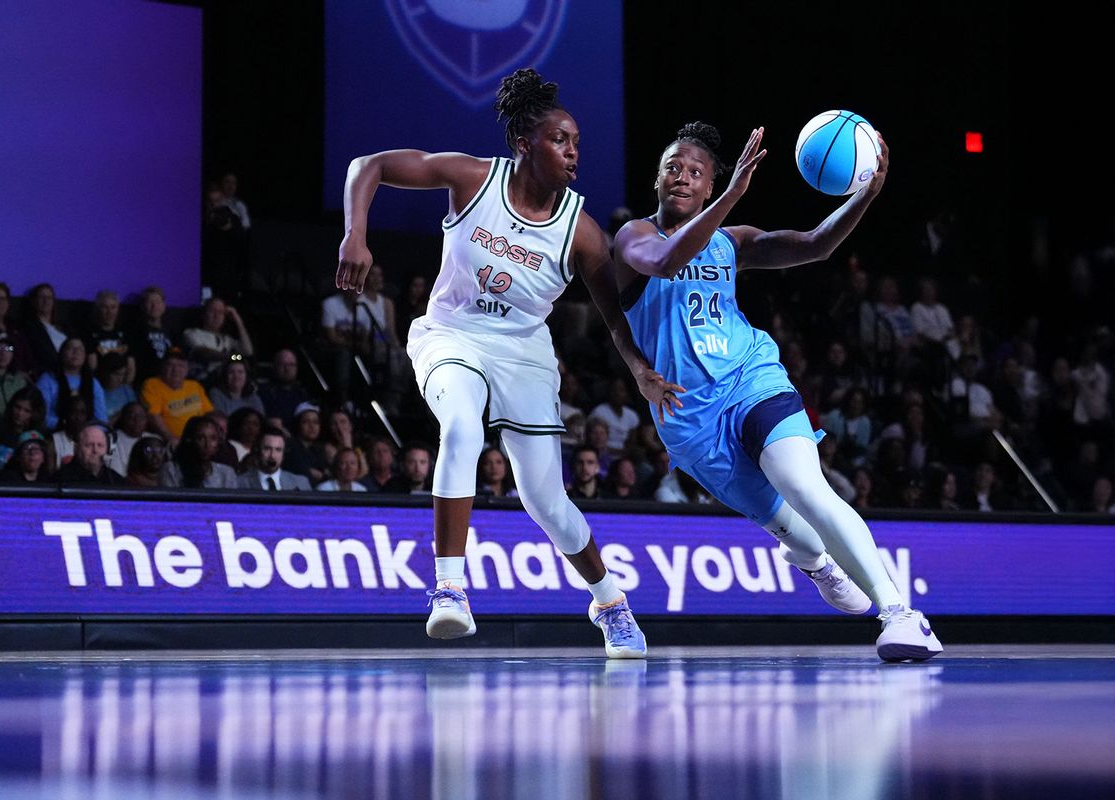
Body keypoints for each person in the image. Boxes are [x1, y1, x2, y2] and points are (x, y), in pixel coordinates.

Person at [337, 68, 681, 657]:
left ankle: (610, 601)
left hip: (524, 353)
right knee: (462, 428)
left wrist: (640, 372)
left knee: (547, 502)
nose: (574, 151)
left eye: (577, 142)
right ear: (524, 144)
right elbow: (366, 165)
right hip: (451, 335)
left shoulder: (584, 233)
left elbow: (613, 318)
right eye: (560, 140)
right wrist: (355, 236)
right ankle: (449, 589)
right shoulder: (472, 179)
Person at [613, 121, 941, 661]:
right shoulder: (634, 238)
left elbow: (816, 245)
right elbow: (666, 262)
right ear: (657, 178)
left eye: (696, 172)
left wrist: (865, 196)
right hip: (689, 418)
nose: (683, 177)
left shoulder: (730, 242)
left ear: (709, 184)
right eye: (673, 166)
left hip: (751, 377)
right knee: (792, 529)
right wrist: (733, 195)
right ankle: (816, 564)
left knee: (804, 484)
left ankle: (901, 616)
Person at [139, 348, 214, 447]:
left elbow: (209, 413)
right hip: (170, 441)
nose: (175, 370)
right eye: (170, 365)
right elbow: (153, 416)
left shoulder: (194, 386)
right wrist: (170, 437)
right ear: (162, 367)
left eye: (180, 365)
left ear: (187, 369)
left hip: (200, 440)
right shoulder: (152, 385)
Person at [35, 338, 106, 431]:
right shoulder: (47, 379)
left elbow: (102, 421)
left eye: (80, 349)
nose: (76, 352)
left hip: (86, 435)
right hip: (54, 432)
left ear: (85, 356)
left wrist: (85, 430)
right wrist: (69, 426)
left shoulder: (93, 383)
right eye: (70, 348)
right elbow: (42, 417)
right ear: (62, 353)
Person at [160, 416, 239, 489]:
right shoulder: (171, 470)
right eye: (200, 438)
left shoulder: (226, 473)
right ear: (189, 440)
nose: (207, 444)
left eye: (213, 438)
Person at [237, 427, 312, 491]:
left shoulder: (300, 483)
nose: (272, 456)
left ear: (284, 453)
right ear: (257, 449)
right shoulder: (240, 482)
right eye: (267, 449)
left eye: (278, 450)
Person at [22, 283, 70, 375]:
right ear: (33, 301)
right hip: (49, 372)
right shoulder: (28, 328)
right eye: (41, 297)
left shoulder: (65, 328)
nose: (46, 301)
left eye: (49, 298)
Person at [56, 422, 124, 485]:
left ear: (108, 450)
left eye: (100, 445)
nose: (95, 450)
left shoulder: (116, 481)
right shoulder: (60, 479)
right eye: (89, 445)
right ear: (76, 448)